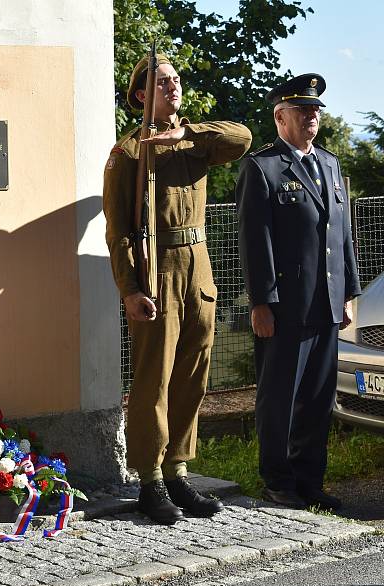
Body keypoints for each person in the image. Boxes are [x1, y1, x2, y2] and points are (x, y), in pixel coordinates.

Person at [103, 54, 252, 524]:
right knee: (154, 379)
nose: (173, 87)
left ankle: (178, 470)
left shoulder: (196, 141)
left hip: (199, 267)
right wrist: (130, 287)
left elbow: (242, 138)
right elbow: (119, 230)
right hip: (158, 269)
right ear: (141, 96)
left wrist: (184, 134)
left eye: (175, 80)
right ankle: (148, 478)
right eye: (162, 83)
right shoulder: (128, 152)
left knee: (193, 374)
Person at [236, 74, 360, 511]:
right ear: (280, 116)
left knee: (317, 399)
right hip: (285, 307)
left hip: (327, 301)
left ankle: (310, 480)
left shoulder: (329, 163)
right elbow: (256, 242)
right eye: (303, 110)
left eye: (316, 111)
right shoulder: (262, 167)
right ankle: (278, 480)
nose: (312, 117)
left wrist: (348, 291)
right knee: (281, 397)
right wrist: (260, 302)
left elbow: (343, 235)